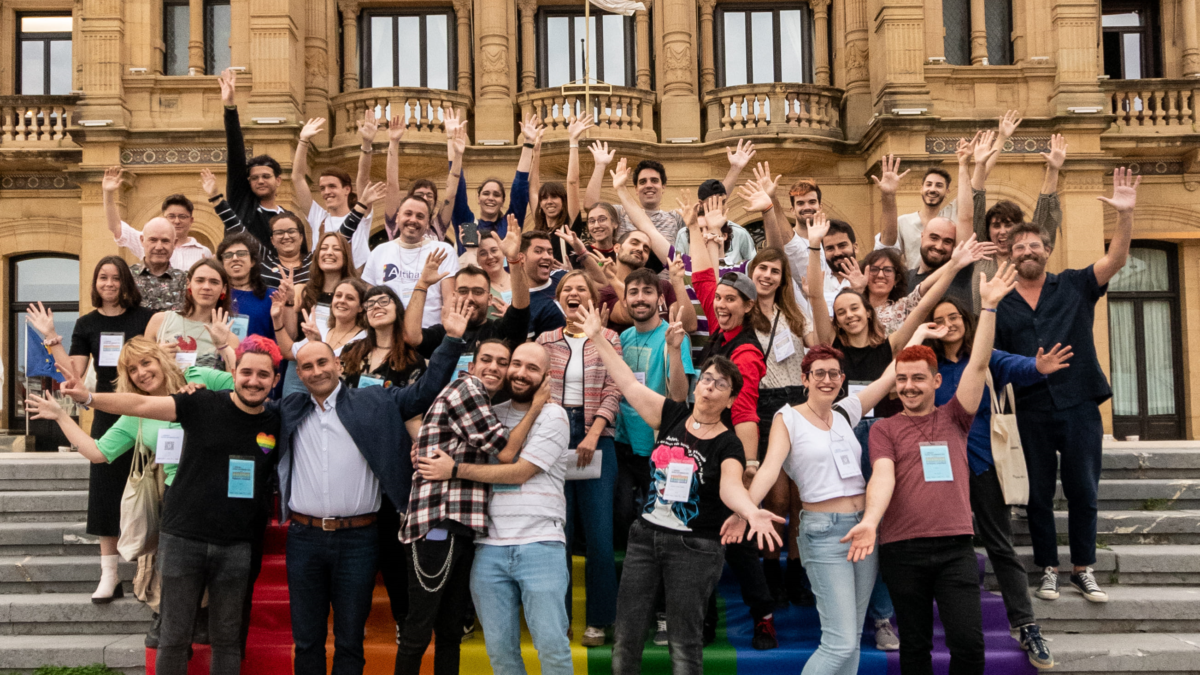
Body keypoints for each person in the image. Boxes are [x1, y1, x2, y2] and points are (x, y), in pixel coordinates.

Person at [56, 335, 285, 675]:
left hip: (236, 545)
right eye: (246, 372)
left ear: (275, 380)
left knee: (226, 639)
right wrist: (88, 398)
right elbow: (139, 406)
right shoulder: (201, 402)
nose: (253, 381)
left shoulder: (277, 419)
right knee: (174, 637)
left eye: (263, 375)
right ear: (234, 372)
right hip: (183, 538)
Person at [576, 300, 783, 674]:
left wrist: (750, 511)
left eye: (721, 385)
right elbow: (624, 380)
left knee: (684, 644)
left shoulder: (728, 443)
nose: (709, 388)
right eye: (706, 379)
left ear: (732, 399)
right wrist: (596, 337)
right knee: (626, 638)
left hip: (695, 547)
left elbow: (731, 487)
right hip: (645, 538)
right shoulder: (672, 414)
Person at [840, 263, 1017, 675]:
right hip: (903, 551)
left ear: (936, 382)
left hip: (955, 548)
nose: (909, 386)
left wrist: (988, 308)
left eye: (918, 378)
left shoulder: (957, 417)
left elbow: (977, 366)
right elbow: (882, 476)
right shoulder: (884, 429)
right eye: (902, 379)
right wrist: (870, 521)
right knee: (915, 649)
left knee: (968, 645)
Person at [277, 300, 472, 675]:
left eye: (323, 363)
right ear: (299, 374)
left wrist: (451, 341)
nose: (317, 371)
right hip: (304, 538)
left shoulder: (374, 401)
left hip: (359, 538)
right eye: (307, 366)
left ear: (338, 364)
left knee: (350, 640)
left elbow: (423, 393)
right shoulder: (290, 410)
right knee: (307, 640)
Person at [741, 326, 933, 675]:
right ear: (805, 378)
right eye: (819, 374)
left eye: (833, 374)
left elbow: (889, 373)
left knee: (852, 638)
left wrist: (916, 333)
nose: (826, 380)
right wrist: (746, 510)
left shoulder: (846, 412)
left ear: (842, 379)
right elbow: (769, 470)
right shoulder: (789, 417)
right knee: (839, 642)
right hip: (823, 533)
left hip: (863, 529)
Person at [994, 168, 1141, 605]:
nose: (1026, 251)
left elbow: (1114, 260)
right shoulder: (999, 302)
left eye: (1033, 246)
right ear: (1011, 255)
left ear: (1048, 250)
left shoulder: (1075, 284)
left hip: (1078, 403)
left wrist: (1125, 216)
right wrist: (1031, 366)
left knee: (1083, 489)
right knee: (1038, 493)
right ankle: (1049, 570)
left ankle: (1083, 568)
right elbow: (994, 360)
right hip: (1031, 408)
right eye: (1019, 247)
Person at [415, 342, 571, 675]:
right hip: (488, 547)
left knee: (552, 648)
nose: (520, 373)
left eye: (532, 368)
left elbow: (519, 471)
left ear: (546, 377)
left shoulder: (554, 414)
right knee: (499, 654)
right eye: (516, 364)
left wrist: (454, 469)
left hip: (540, 543)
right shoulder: (488, 414)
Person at [929, 296, 1068, 669]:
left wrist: (1037, 366)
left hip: (982, 464)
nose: (948, 323)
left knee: (1000, 546)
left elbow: (1016, 366)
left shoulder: (985, 356)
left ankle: (1026, 625)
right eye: (939, 319)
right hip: (940, 470)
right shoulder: (930, 365)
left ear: (965, 319)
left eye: (953, 316)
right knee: (945, 549)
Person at [25, 257, 155, 603]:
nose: (109, 283)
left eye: (115, 277)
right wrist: (52, 336)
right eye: (103, 278)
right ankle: (109, 575)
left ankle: (148, 570)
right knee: (104, 492)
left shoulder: (147, 319)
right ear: (95, 283)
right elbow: (74, 377)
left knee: (151, 489)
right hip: (106, 410)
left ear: (126, 281)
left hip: (146, 410)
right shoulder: (87, 323)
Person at [535, 270, 622, 647]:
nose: (573, 293)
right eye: (567, 289)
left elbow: (615, 387)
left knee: (600, 537)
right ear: (559, 298)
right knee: (559, 537)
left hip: (597, 438)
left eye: (580, 289)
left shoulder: (609, 338)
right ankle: (560, 619)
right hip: (552, 438)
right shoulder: (544, 340)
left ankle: (600, 621)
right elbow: (537, 389)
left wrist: (591, 433)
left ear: (591, 298)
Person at [745, 246, 818, 607]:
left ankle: (797, 569)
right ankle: (771, 567)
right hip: (761, 404)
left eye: (775, 271)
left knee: (799, 497)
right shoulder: (743, 313)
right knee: (774, 496)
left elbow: (819, 348)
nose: (768, 276)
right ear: (752, 271)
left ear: (782, 278)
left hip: (796, 403)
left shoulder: (793, 314)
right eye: (762, 269)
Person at [405, 218, 528, 377]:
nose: (470, 298)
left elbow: (521, 309)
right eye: (463, 291)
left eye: (478, 292)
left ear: (490, 298)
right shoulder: (443, 333)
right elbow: (411, 337)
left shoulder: (500, 331)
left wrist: (513, 260)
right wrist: (422, 284)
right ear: (454, 296)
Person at [586, 139, 755, 244]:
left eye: (655, 181)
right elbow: (590, 206)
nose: (649, 185)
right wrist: (600, 166)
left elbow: (713, 206)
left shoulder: (675, 218)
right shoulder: (619, 213)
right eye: (643, 182)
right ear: (636, 189)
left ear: (663, 187)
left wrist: (735, 169)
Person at [969, 129, 1065, 311]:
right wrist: (980, 165)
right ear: (988, 231)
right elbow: (975, 202)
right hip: (981, 332)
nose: (1003, 231)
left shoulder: (1025, 257)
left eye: (1009, 225)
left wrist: (1053, 170)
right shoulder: (980, 252)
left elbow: (1044, 218)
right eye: (996, 225)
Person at [449, 114, 539, 258]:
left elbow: (520, 188)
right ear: (478, 198)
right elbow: (456, 188)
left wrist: (528, 143)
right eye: (486, 193)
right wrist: (453, 146)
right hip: (473, 280)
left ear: (503, 200)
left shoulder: (508, 225)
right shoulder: (470, 225)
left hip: (505, 279)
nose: (490, 198)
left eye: (496, 195)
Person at [362, 193, 458, 328]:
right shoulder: (379, 252)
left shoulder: (444, 251)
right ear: (397, 218)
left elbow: (449, 301)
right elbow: (370, 301)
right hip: (388, 334)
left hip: (429, 336)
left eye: (420, 216)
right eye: (408, 214)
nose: (413, 220)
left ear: (428, 222)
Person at [218, 68, 287, 253]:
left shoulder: (288, 219)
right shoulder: (241, 203)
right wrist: (230, 107)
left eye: (266, 176)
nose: (260, 181)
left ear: (278, 180)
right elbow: (236, 154)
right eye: (254, 178)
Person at [292, 114, 373, 268]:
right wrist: (303, 141)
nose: (326, 192)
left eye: (332, 186)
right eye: (322, 188)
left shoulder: (362, 215)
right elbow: (297, 178)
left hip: (355, 284)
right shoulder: (318, 217)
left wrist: (367, 144)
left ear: (347, 189)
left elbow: (362, 177)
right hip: (323, 282)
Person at [102, 168, 187, 312]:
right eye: (153, 240)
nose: (159, 247)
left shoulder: (186, 281)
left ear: (174, 243)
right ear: (142, 240)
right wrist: (108, 194)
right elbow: (115, 225)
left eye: (165, 241)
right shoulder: (125, 277)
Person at [382, 108, 466, 245]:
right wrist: (393, 142)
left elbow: (450, 193)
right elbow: (392, 184)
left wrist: (457, 152)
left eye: (429, 195)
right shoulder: (396, 222)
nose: (425, 198)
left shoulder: (437, 226)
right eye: (420, 194)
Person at [104, 166, 211, 271]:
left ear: (191, 220)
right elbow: (116, 226)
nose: (177, 221)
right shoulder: (148, 242)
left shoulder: (203, 252)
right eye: (171, 216)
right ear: (163, 218)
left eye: (182, 217)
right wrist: (108, 193)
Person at [144, 259, 239, 372]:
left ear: (223, 289)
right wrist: (156, 357)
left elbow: (234, 381)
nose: (206, 287)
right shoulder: (160, 321)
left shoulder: (229, 338)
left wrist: (222, 346)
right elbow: (141, 367)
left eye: (214, 282)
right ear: (189, 284)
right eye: (200, 280)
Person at [527, 117, 590, 265]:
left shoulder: (570, 224)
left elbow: (573, 182)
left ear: (563, 201)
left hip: (566, 283)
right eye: (544, 198)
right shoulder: (540, 229)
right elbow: (532, 189)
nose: (549, 202)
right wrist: (535, 155)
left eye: (554, 197)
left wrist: (573, 142)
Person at [672, 181, 757, 266]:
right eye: (715, 203)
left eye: (723, 202)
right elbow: (679, 267)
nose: (721, 207)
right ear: (701, 204)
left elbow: (753, 266)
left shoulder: (739, 233)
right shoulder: (684, 234)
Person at [217, 233, 276, 341]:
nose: (235, 258)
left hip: (259, 356)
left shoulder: (271, 297)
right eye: (228, 255)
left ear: (252, 261)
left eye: (241, 254)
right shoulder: (215, 294)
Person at [522, 230, 568, 337]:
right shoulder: (522, 303)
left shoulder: (564, 276)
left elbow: (601, 283)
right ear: (522, 258)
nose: (547, 256)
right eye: (538, 251)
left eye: (550, 252)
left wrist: (582, 252)